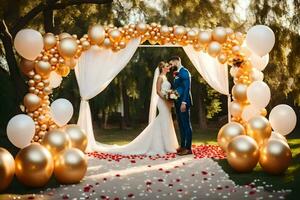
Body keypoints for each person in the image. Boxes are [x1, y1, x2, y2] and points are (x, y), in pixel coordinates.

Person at [91, 61, 179, 155]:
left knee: (165, 121)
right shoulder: (160, 78)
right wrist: (165, 98)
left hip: (166, 103)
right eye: (167, 66)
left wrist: (170, 98)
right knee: (163, 120)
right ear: (162, 68)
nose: (168, 67)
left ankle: (166, 144)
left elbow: (166, 90)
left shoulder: (165, 77)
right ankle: (162, 145)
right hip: (162, 102)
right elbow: (158, 91)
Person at [169, 56, 193, 156]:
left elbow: (187, 88)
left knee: (186, 124)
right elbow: (178, 88)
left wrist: (184, 102)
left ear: (177, 61)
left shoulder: (184, 71)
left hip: (184, 102)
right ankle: (182, 145)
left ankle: (188, 148)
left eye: (172, 63)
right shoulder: (176, 73)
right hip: (177, 102)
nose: (171, 65)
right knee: (181, 125)